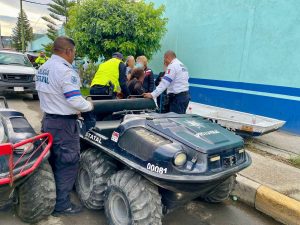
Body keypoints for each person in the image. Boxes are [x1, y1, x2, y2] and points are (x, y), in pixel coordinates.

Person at [36, 36, 93, 216]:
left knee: (51, 160)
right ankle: (61, 204)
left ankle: (49, 196)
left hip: (48, 121)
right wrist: (90, 106)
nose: (73, 56)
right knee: (68, 162)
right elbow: (74, 99)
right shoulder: (66, 71)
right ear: (68, 51)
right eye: (74, 53)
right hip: (64, 125)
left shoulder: (43, 68)